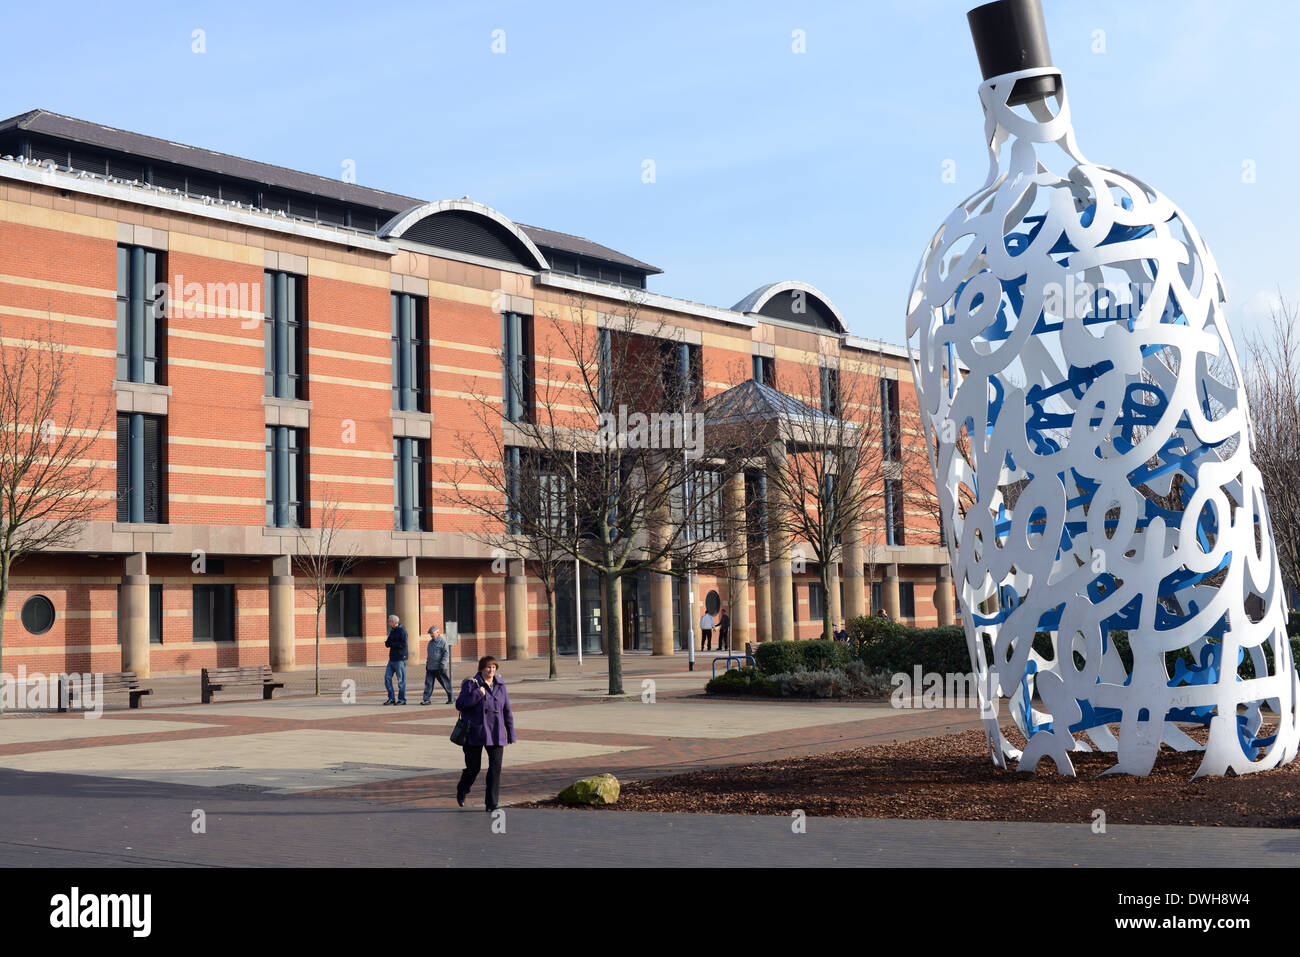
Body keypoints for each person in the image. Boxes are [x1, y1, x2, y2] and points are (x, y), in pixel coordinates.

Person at [455, 655, 516, 812]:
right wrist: (477, 694)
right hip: (475, 732)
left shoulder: (501, 685)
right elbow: (460, 704)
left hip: (496, 732)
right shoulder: (471, 684)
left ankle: (492, 804)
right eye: (488, 667)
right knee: (473, 768)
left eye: (494, 667)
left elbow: (507, 710)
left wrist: (511, 733)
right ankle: (462, 789)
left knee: (495, 769)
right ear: (481, 669)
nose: (491, 670)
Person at [421, 625, 452, 705]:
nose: (431, 635)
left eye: (432, 633)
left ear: (437, 632)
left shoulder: (443, 641)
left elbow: (446, 653)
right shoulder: (430, 643)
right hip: (430, 667)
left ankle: (451, 697)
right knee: (428, 683)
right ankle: (426, 699)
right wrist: (427, 663)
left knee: (445, 683)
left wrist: (442, 663)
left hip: (439, 667)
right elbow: (429, 655)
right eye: (430, 634)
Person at [383, 614, 408, 705]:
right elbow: (388, 643)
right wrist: (388, 642)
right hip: (392, 659)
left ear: (393, 622)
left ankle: (402, 700)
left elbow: (403, 644)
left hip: (399, 659)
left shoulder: (402, 631)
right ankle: (391, 698)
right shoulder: (392, 631)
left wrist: (392, 644)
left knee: (401, 681)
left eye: (389, 621)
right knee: (387, 678)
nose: (388, 623)